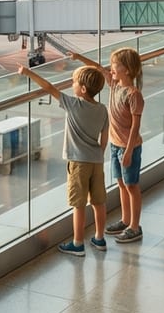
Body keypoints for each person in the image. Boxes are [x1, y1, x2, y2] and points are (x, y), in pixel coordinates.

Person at [19, 63, 109, 255]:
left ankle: (78, 243)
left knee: (78, 204)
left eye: (74, 82)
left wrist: (28, 72)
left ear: (83, 89)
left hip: (78, 162)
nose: (71, 84)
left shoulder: (73, 104)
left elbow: (49, 87)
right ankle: (100, 238)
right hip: (96, 161)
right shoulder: (102, 109)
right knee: (98, 202)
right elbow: (105, 137)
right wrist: (98, 152)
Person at [72, 48, 145, 244]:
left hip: (129, 148)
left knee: (131, 186)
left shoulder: (133, 95)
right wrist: (79, 57)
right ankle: (125, 219)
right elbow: (97, 68)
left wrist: (128, 151)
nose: (110, 67)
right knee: (121, 183)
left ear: (127, 70)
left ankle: (135, 226)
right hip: (114, 146)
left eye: (115, 64)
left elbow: (135, 128)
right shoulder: (114, 84)